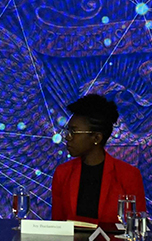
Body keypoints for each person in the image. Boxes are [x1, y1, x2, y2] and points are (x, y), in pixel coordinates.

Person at [50, 92, 144, 223]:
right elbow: (57, 227)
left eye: (74, 132)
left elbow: (136, 227)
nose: (67, 137)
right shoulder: (63, 173)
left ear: (96, 138)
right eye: (68, 131)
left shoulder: (128, 176)